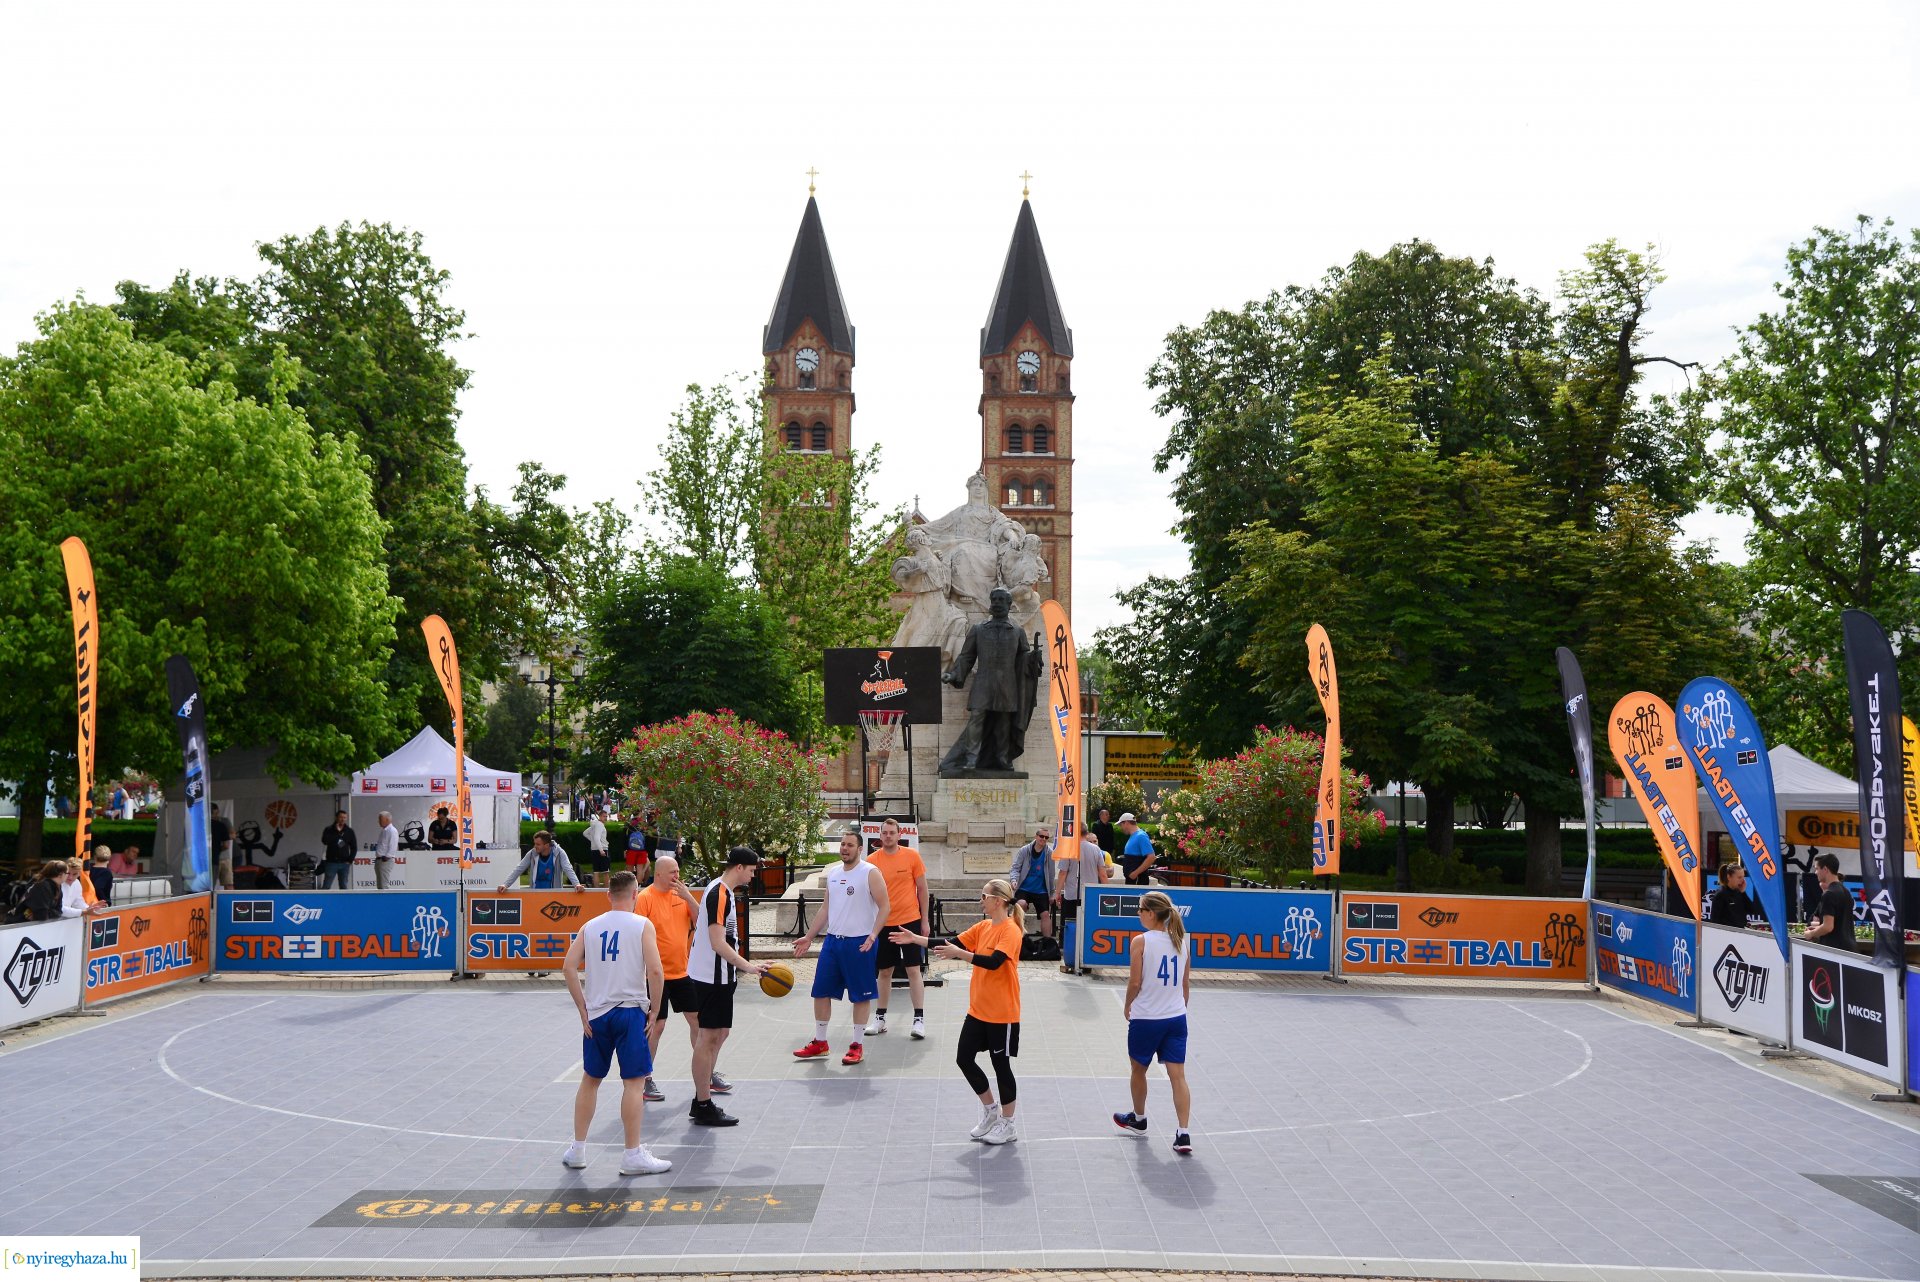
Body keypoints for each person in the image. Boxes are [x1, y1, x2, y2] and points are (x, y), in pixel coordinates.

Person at [889, 879, 1026, 1145]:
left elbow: (995, 963)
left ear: (997, 901)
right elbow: (951, 942)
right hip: (979, 1009)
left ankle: (1008, 1124)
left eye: (984, 895)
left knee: (1001, 1067)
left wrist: (961, 955)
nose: (981, 900)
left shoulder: (1010, 931)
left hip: (1003, 1012)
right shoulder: (984, 926)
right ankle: (990, 1111)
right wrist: (915, 938)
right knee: (964, 1058)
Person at [558, 870, 671, 1176]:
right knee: (634, 1083)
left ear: (608, 895)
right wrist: (655, 1010)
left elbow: (569, 967)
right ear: (635, 895)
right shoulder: (641, 925)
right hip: (630, 1011)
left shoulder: (590, 927)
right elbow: (656, 972)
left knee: (590, 1079)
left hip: (597, 1014)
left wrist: (582, 1008)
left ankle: (578, 1149)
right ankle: (632, 1155)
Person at [686, 848, 770, 1126]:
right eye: (751, 869)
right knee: (707, 1038)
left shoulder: (720, 890)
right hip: (712, 977)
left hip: (717, 975)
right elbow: (717, 942)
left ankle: (702, 1097)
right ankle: (702, 1103)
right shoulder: (719, 894)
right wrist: (748, 966)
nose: (753, 874)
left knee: (720, 1033)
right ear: (739, 868)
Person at [793, 831, 889, 1065]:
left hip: (860, 943)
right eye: (842, 844)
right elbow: (826, 909)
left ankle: (857, 1045)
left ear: (860, 849)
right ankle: (820, 1042)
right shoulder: (834, 873)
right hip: (833, 943)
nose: (845, 848)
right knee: (821, 992)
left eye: (850, 845)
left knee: (860, 995)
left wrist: (874, 935)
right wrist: (808, 937)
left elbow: (885, 906)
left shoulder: (870, 873)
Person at [631, 854, 719, 1103]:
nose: (677, 877)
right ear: (658, 874)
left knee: (698, 1022)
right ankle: (645, 1078)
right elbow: (636, 934)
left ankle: (708, 1073)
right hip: (654, 975)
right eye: (672, 872)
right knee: (656, 1026)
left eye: (678, 871)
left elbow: (703, 923)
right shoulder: (645, 899)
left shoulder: (681, 897)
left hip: (683, 971)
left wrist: (689, 896)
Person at [1112, 890, 1194, 1154]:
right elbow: (1184, 984)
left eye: (1140, 910)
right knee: (1178, 1076)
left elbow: (1135, 982)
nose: (1138, 914)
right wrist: (1178, 1008)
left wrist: (1127, 1006)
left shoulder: (1141, 942)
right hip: (1175, 1018)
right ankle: (1183, 1133)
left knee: (1138, 1069)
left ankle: (1139, 1118)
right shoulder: (1182, 940)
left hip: (1147, 1018)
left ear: (1150, 913)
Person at [867, 817, 931, 1040]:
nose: (888, 836)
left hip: (910, 922)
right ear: (880, 835)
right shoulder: (872, 861)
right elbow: (868, 896)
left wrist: (925, 921)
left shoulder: (912, 856)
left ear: (899, 834)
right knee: (884, 972)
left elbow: (922, 890)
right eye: (884, 833)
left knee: (914, 970)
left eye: (891, 833)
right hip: (884, 923)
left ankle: (919, 1019)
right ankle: (880, 1018)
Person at [1052, 830, 1110, 974]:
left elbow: (1063, 873)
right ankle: (1086, 958)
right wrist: (1107, 892)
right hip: (1090, 894)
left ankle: (1071, 957)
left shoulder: (1070, 848)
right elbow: (1102, 873)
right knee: (1088, 927)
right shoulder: (1096, 849)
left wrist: (1057, 892)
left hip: (1072, 894)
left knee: (1070, 926)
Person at [498, 831, 586, 891]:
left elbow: (568, 869)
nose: (535, 846)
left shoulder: (560, 853)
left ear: (547, 845)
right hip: (536, 894)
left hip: (554, 894)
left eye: (538, 844)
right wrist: (506, 885)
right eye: (535, 843)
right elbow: (518, 869)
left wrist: (576, 884)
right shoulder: (532, 853)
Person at [1008, 826, 1055, 939]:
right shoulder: (1025, 850)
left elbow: (1051, 874)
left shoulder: (1049, 853)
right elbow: (1015, 868)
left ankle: (1047, 942)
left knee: (1045, 914)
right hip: (1024, 888)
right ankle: (1015, 936)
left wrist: (1052, 893)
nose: (1043, 839)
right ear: (1036, 836)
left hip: (1041, 889)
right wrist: (1014, 880)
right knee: (1021, 905)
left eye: (1046, 837)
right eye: (1041, 836)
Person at [1806, 852, 1856, 953]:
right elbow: (1839, 923)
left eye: (1817, 869)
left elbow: (1828, 927)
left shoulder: (1829, 894)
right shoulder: (1846, 892)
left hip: (1834, 951)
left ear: (1825, 869)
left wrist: (1811, 934)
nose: (1815, 872)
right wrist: (1818, 927)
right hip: (1849, 949)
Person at [1707, 861, 1756, 929]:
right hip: (1727, 935)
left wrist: (1743, 892)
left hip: (1741, 933)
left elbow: (1752, 910)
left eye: (1743, 877)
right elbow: (1714, 921)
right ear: (1729, 877)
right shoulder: (1721, 894)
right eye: (1739, 877)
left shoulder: (1739, 892)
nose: (1742, 880)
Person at [318, 810, 356, 890]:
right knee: (326, 885)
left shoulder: (349, 831)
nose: (343, 819)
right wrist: (336, 834)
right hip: (331, 862)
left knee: (343, 886)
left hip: (344, 863)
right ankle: (324, 901)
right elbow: (325, 841)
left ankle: (344, 902)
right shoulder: (329, 829)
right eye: (341, 817)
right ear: (336, 818)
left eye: (344, 818)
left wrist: (350, 860)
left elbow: (354, 847)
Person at [1117, 813, 1158, 883]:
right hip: (1132, 880)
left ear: (1126, 823)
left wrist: (1135, 873)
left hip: (1137, 881)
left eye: (1121, 825)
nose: (1121, 828)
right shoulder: (1134, 836)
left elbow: (1151, 857)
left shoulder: (1141, 836)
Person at [583, 810, 610, 887]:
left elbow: (585, 833)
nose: (606, 818)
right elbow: (597, 837)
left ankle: (596, 891)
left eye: (606, 816)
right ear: (600, 816)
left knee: (596, 871)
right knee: (606, 872)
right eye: (604, 816)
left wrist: (594, 842)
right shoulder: (600, 825)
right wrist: (601, 849)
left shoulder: (594, 825)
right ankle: (606, 890)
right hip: (603, 849)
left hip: (594, 849)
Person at [211, 802, 234, 890]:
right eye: (214, 813)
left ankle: (230, 901)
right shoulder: (205, 823)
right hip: (212, 858)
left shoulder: (224, 821)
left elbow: (233, 835)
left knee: (228, 883)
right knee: (210, 885)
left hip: (224, 857)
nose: (216, 815)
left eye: (217, 813)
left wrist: (221, 835)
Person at [373, 811, 399, 890]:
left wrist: (387, 857)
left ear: (387, 820)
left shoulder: (392, 830)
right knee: (380, 885)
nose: (378, 821)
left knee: (384, 884)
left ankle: (386, 901)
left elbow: (393, 846)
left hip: (384, 860)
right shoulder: (384, 830)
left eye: (380, 819)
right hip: (380, 859)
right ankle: (382, 900)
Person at [623, 814, 653, 881]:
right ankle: (638, 886)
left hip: (631, 850)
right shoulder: (644, 825)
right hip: (642, 851)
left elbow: (625, 837)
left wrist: (625, 849)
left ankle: (629, 886)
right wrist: (647, 850)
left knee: (629, 871)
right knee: (640, 870)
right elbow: (648, 839)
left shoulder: (629, 824)